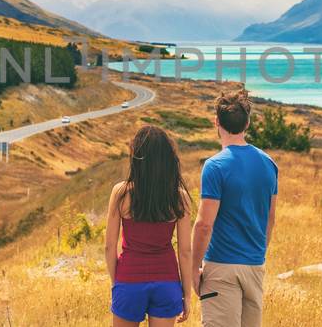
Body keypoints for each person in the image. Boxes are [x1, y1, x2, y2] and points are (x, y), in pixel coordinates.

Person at [191, 90, 278, 327]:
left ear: (217, 122)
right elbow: (270, 220)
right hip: (254, 266)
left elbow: (203, 225)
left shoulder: (215, 166)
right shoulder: (269, 164)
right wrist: (257, 253)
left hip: (221, 267)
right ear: (247, 122)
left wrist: (193, 268)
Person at [106, 125, 196, 326]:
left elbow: (109, 247)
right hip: (167, 282)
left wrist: (117, 284)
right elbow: (185, 251)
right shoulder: (179, 197)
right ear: (167, 158)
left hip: (128, 279)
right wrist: (187, 295)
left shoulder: (121, 193)